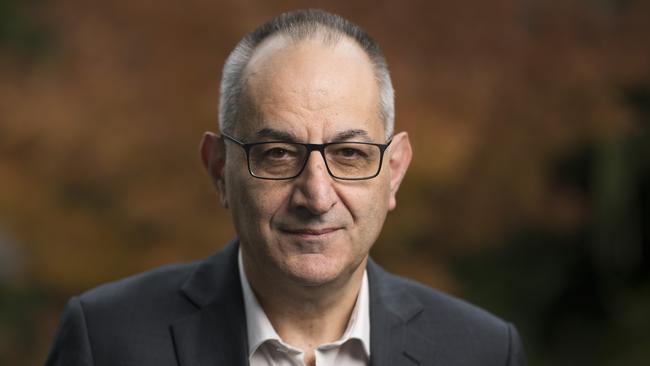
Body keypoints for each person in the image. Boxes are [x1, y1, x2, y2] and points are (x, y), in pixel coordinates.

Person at [46, 9, 526, 366]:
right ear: (219, 169)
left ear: (394, 171)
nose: (316, 196)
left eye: (350, 154)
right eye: (277, 154)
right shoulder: (106, 341)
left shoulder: (483, 352)